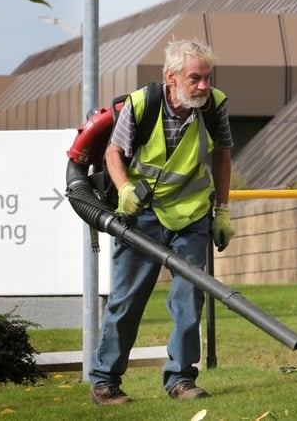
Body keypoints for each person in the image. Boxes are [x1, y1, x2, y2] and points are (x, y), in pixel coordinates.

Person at [89, 39, 236, 405]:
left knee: (189, 297)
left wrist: (221, 210)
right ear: (171, 77)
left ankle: (181, 379)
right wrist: (124, 190)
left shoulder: (214, 106)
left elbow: (223, 157)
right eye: (195, 78)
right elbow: (113, 153)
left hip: (190, 215)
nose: (203, 86)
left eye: (207, 77)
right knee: (126, 300)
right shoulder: (141, 105)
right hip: (142, 215)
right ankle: (105, 382)